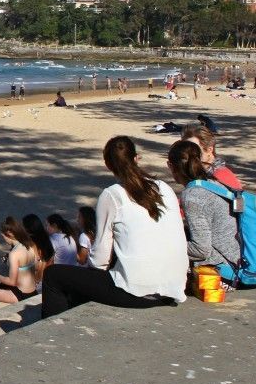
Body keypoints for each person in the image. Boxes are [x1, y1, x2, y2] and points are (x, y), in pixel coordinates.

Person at [40, 136, 188, 318]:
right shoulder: (164, 187)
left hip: (137, 292)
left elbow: (100, 260)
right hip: (174, 286)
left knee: (53, 276)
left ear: (108, 165)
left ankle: (53, 333)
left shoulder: (111, 195)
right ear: (136, 158)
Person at [166, 141, 241, 270]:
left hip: (219, 272)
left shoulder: (192, 196)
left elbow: (201, 250)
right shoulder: (214, 183)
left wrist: (166, 245)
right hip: (237, 259)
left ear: (171, 166)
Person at [0, 216, 39, 308]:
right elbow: (35, 267)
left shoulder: (14, 254)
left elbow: (12, 282)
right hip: (32, 291)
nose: (3, 239)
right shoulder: (29, 245)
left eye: (3, 236)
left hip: (21, 294)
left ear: (8, 234)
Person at [180, 123, 243, 191]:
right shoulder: (206, 174)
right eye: (185, 150)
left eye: (194, 150)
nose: (188, 155)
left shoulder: (219, 178)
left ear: (209, 150)